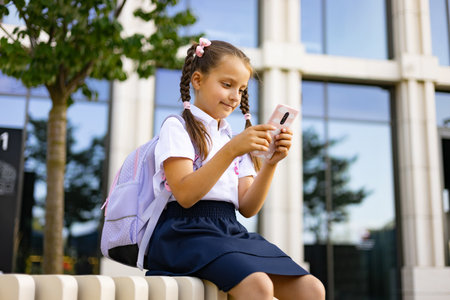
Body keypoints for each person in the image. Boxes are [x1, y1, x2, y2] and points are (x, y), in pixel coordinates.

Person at [145, 38, 325, 300]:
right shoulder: (177, 127)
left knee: (311, 289)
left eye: (241, 90)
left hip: (228, 230)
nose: (234, 97)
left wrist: (270, 163)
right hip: (186, 232)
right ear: (197, 80)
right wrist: (233, 150)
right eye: (227, 85)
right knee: (258, 285)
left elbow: (248, 207)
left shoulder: (232, 138)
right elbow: (184, 194)